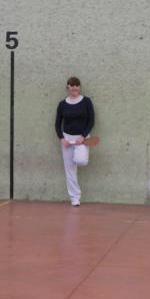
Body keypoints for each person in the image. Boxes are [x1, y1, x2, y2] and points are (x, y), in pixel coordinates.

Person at [54, 76, 95, 206]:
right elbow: (57, 124)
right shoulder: (62, 104)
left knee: (81, 160)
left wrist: (83, 136)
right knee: (69, 170)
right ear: (68, 88)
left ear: (79, 87)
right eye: (72, 86)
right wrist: (62, 139)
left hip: (82, 139)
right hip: (67, 139)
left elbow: (91, 121)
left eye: (77, 85)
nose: (75, 88)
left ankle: (78, 158)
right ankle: (75, 198)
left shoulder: (86, 101)